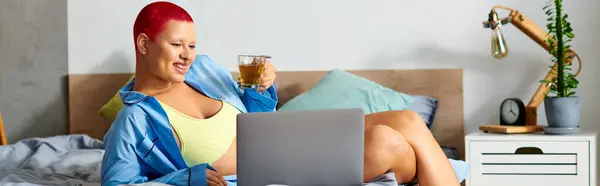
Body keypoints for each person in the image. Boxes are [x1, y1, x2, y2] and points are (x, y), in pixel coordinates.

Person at [100, 1, 462, 186]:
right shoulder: (134, 118)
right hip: (270, 169)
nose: (186, 55)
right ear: (144, 44)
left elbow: (256, 120)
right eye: (176, 44)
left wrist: (261, 90)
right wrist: (186, 178)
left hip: (285, 140)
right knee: (387, 141)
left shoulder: (203, 71)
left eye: (191, 45)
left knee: (409, 120)